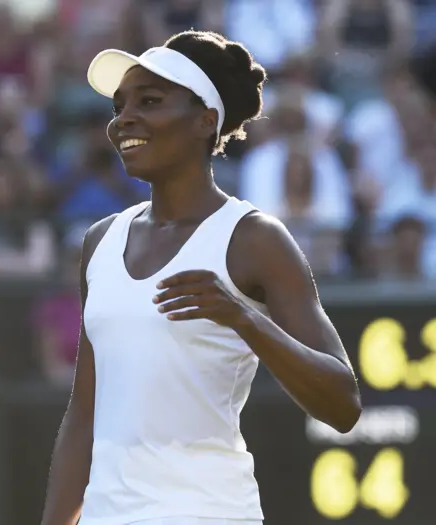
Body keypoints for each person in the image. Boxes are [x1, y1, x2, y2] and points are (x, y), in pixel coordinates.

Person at [40, 30, 362, 525]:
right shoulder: (99, 241)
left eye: (149, 101)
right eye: (119, 106)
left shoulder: (254, 239)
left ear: (205, 121)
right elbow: (85, 413)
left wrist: (244, 320)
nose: (124, 119)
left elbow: (343, 405)